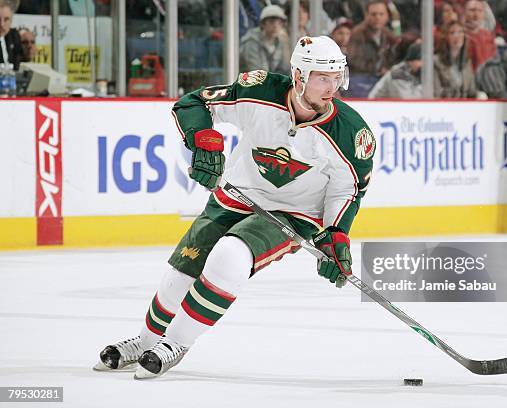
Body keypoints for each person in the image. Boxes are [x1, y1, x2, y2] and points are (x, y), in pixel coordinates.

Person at [93, 36, 375, 379]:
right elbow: (195, 103)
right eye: (322, 78)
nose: (332, 87)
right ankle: (145, 341)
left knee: (230, 255)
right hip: (236, 195)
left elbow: (348, 188)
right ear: (299, 76)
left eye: (336, 77)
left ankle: (175, 344)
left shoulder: (351, 133)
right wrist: (204, 140)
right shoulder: (260, 91)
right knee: (180, 275)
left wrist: (335, 234)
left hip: (292, 215)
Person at [346, 0, 398, 97]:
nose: (377, 17)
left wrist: (388, 68)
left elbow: (395, 57)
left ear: (387, 16)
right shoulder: (357, 34)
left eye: (381, 14)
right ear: (366, 15)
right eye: (373, 14)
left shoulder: (388, 35)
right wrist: (378, 69)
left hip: (381, 77)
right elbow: (355, 61)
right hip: (362, 79)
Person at [239, 4, 291, 75]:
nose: (276, 26)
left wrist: (285, 42)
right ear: (263, 24)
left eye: (279, 22)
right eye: (271, 22)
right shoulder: (251, 40)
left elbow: (285, 68)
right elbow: (256, 72)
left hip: (269, 82)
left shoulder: (280, 40)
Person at [433, 20, 476, 98]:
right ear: (445, 37)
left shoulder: (467, 62)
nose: (457, 36)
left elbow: (472, 91)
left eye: (460, 32)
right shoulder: (436, 62)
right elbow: (437, 93)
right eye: (452, 33)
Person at [463, 0, 496, 71]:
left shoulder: (488, 36)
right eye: (472, 10)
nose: (476, 15)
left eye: (480, 11)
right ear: (465, 12)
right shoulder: (460, 35)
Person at [0, 2, 25, 70]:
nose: (2, 24)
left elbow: (20, 64)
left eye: (6, 19)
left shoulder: (14, 36)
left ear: (11, 21)